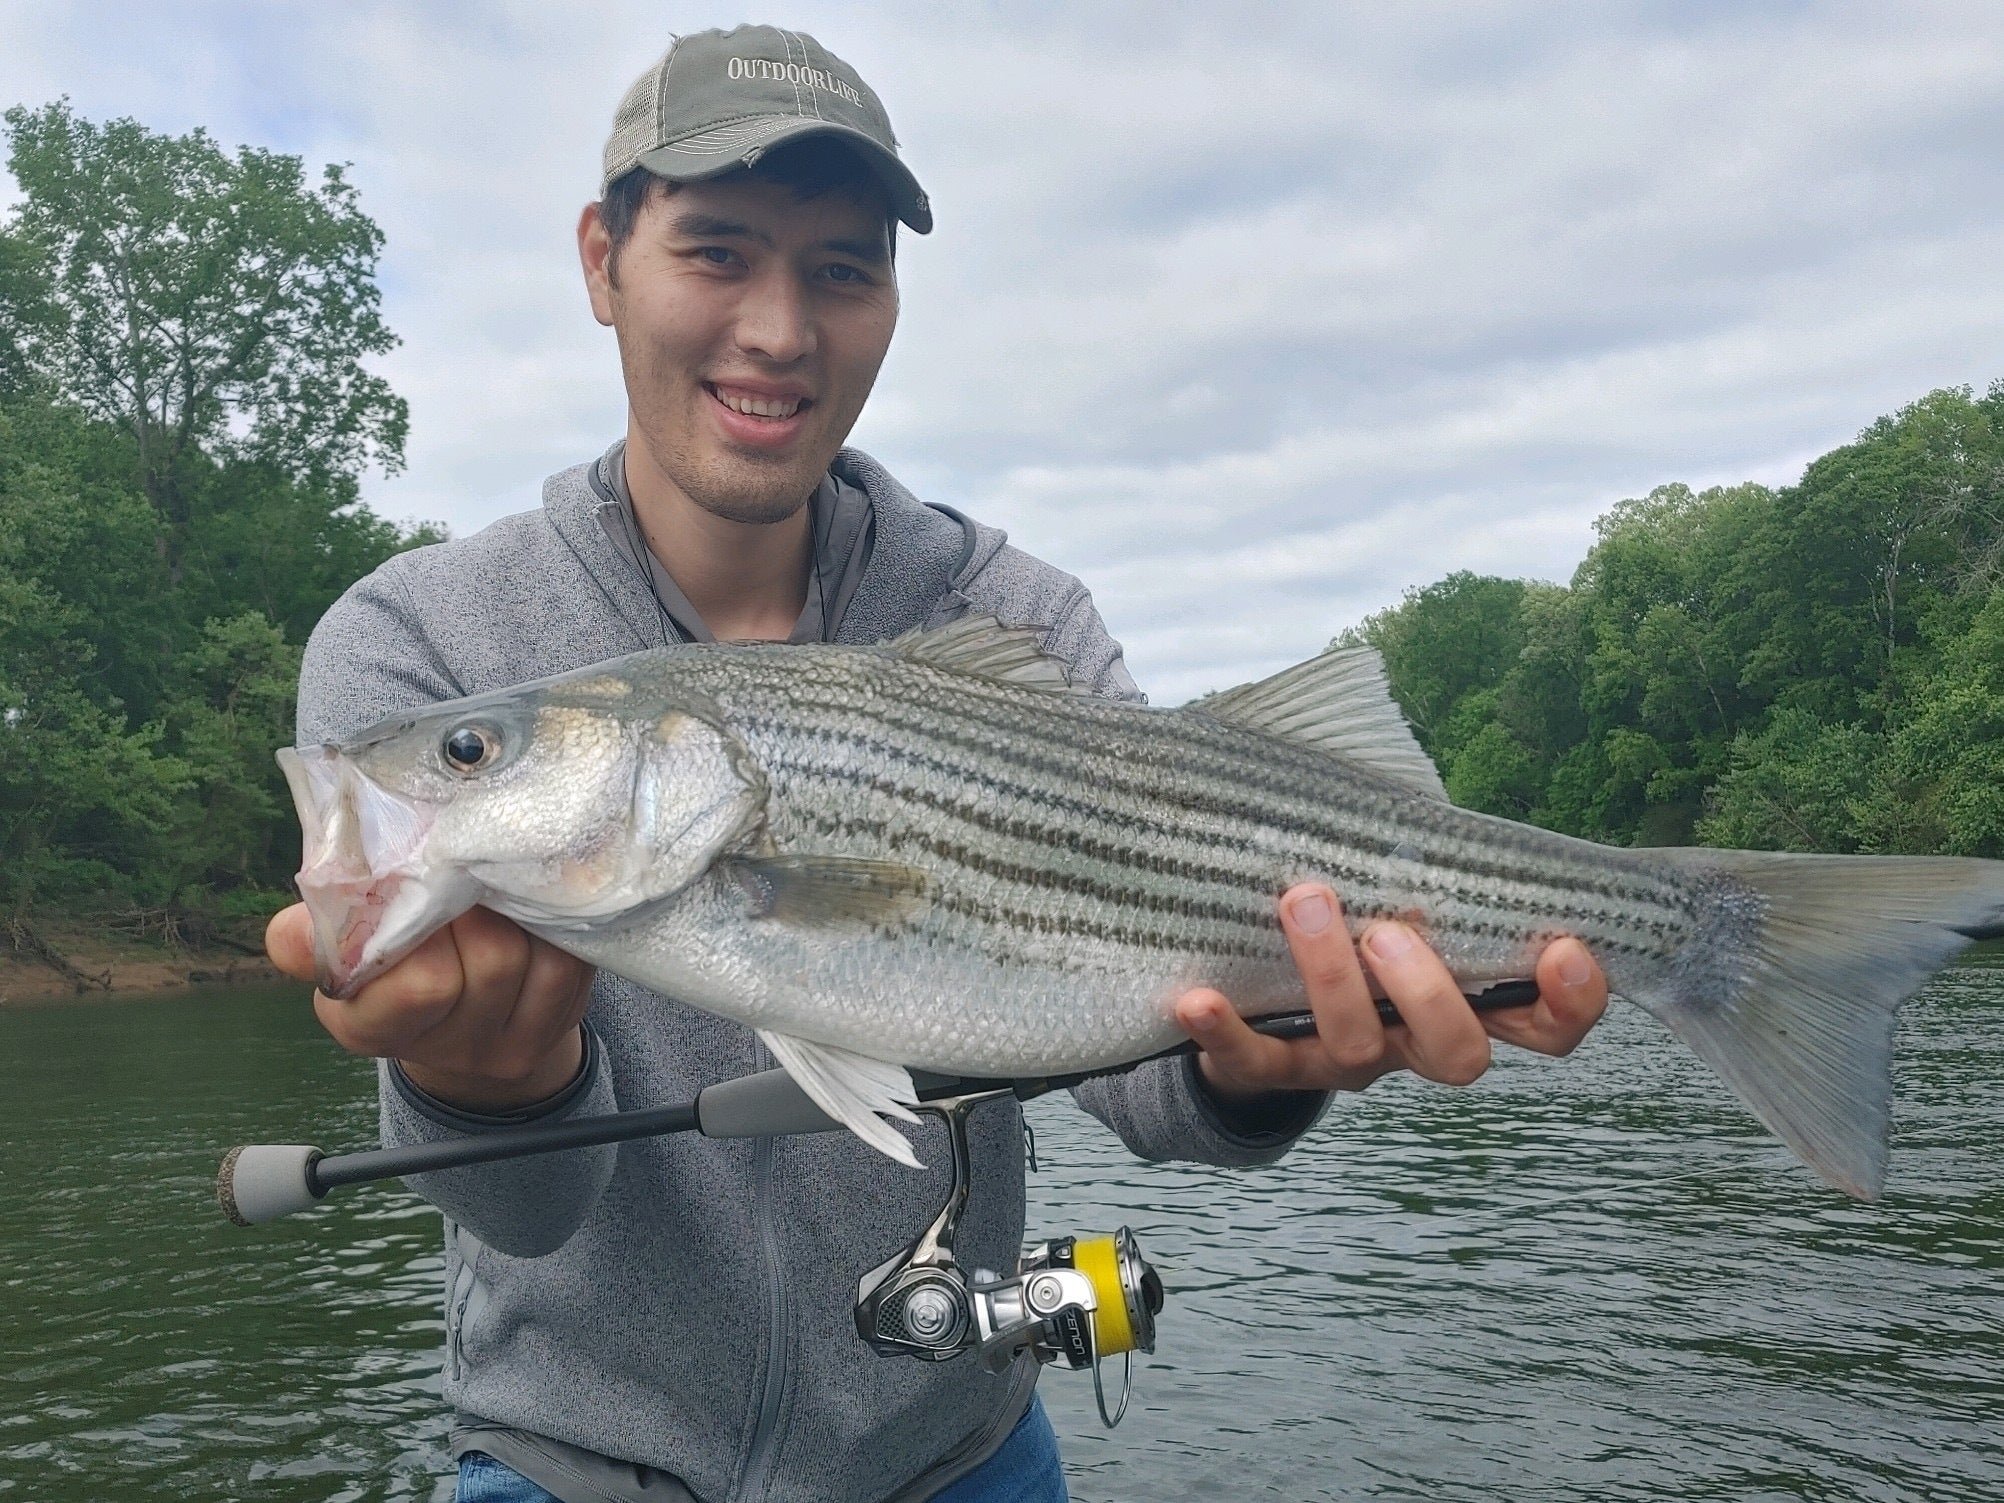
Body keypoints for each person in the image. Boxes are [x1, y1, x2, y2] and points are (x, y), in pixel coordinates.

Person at [263, 24, 1608, 1503]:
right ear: (603, 261)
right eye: (717, 251)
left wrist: (1270, 1068)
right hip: (566, 1463)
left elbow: (1151, 1085)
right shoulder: (418, 638)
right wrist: (492, 1089)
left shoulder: (1017, 615)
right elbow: (517, 1222)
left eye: (843, 268)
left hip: (956, 1456)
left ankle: (1707, 930)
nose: (780, 329)